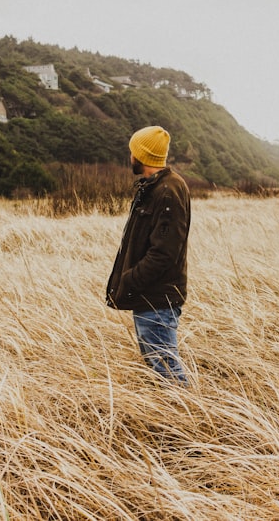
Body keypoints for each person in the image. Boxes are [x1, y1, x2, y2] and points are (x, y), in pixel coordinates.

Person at [106, 125, 191, 386]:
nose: (129, 156)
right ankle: (176, 416)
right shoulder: (156, 186)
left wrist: (130, 280)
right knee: (160, 365)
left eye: (133, 151)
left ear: (141, 156)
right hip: (151, 297)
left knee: (167, 371)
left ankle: (186, 419)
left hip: (156, 299)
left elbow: (164, 253)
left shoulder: (166, 191)